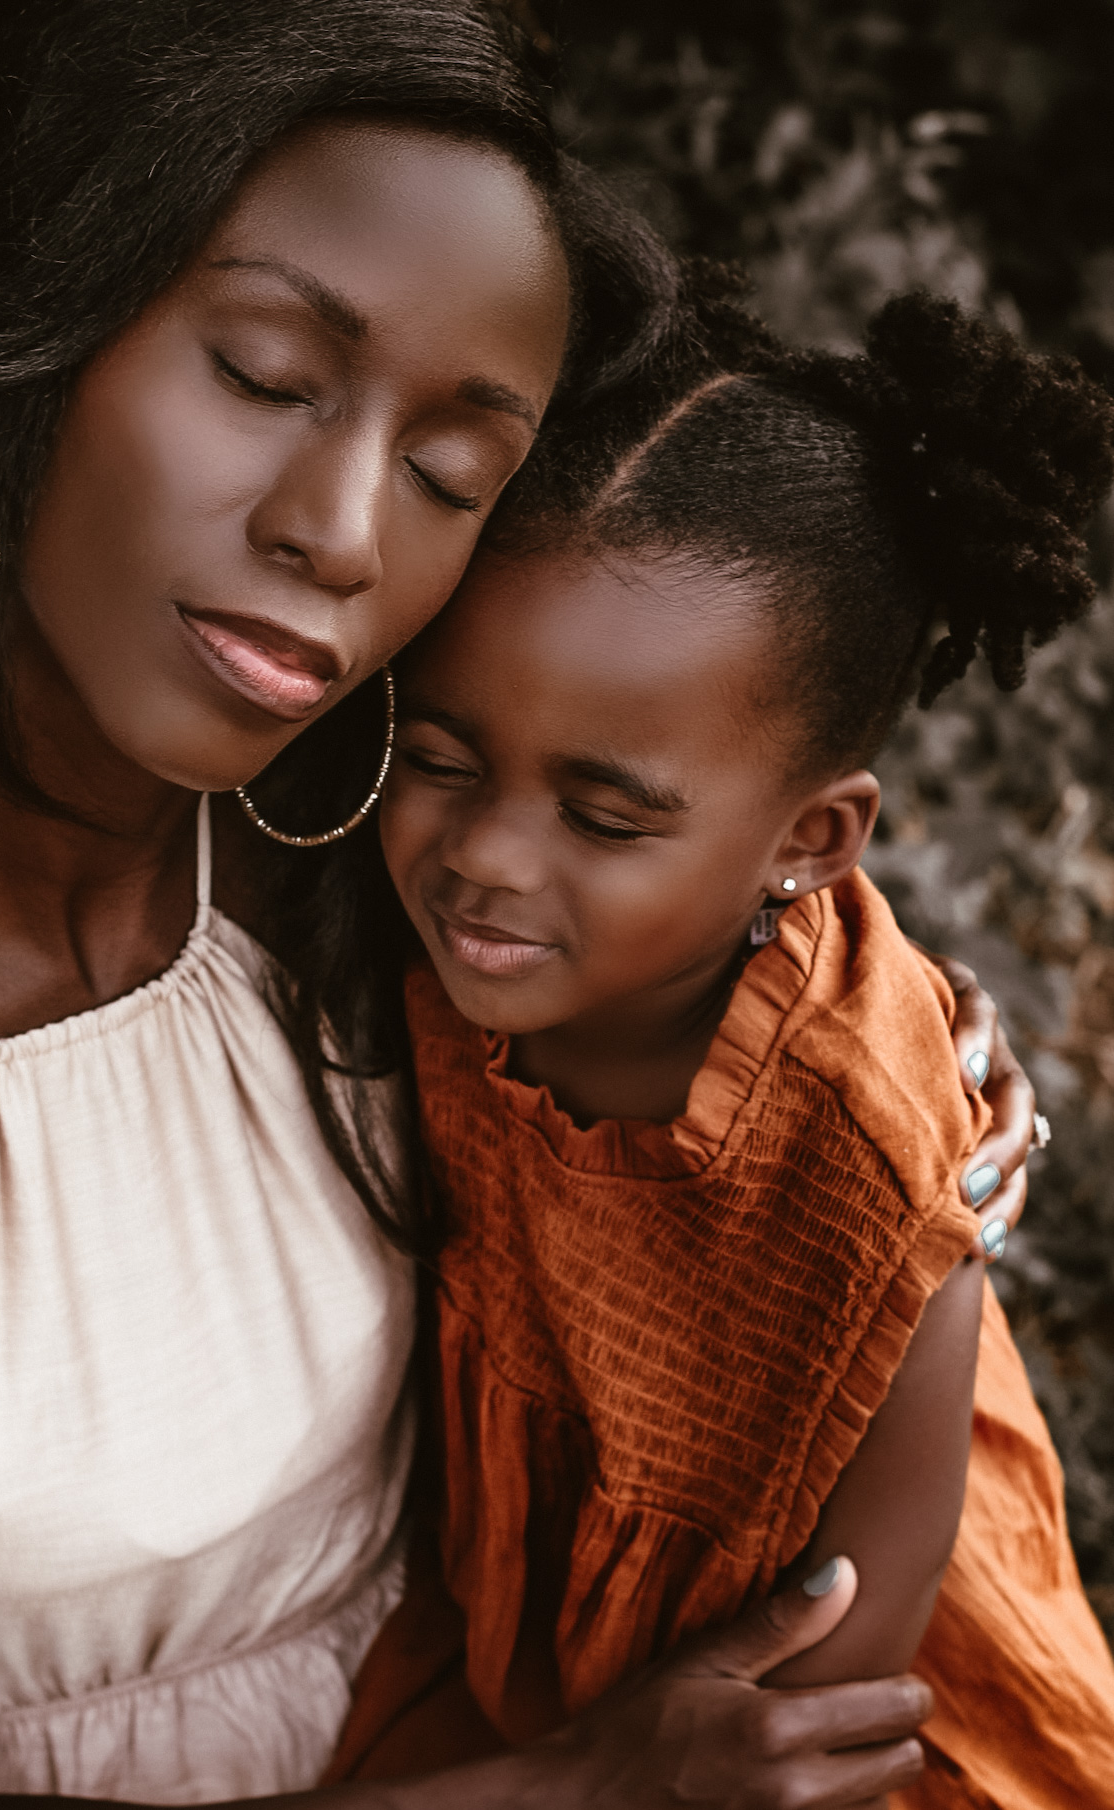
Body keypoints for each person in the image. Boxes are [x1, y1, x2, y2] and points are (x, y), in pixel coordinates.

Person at [0, 5, 1035, 1805]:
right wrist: (573, 1789)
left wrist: (864, 1016)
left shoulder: (346, 853)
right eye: (266, 372)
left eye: (453, 473)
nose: (345, 529)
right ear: (43, 313)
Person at [366, 286, 1114, 1806]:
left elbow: (829, 1716)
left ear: (814, 839)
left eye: (605, 816)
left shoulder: (871, 1183)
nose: (486, 858)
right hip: (506, 1689)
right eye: (438, 755)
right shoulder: (410, 929)